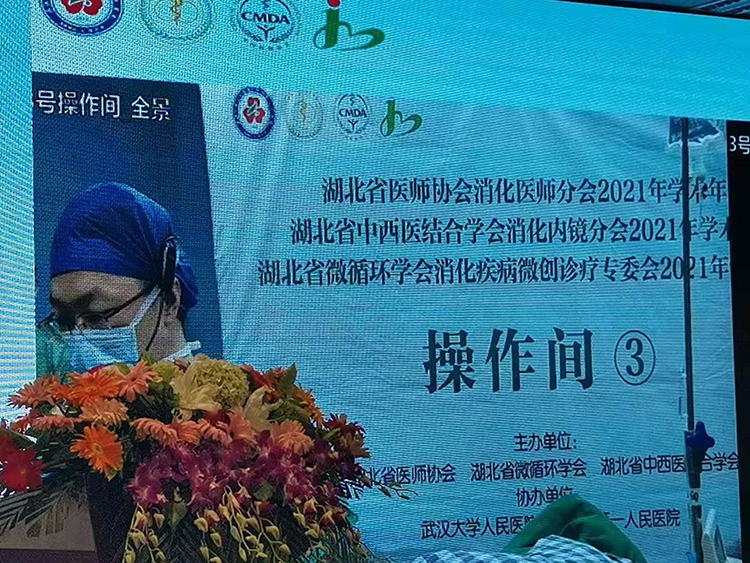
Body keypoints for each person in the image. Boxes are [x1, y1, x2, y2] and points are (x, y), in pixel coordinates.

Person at [36, 183, 200, 377]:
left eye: (95, 316)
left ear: (170, 301)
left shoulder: (222, 394)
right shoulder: (63, 394)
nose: (79, 341)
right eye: (63, 321)